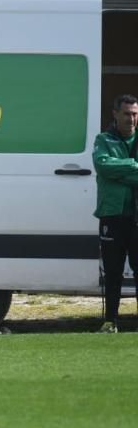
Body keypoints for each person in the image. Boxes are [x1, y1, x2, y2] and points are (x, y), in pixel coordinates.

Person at [93, 93, 138, 332]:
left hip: (136, 218)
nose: (131, 119)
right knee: (112, 272)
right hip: (112, 215)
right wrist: (132, 166)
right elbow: (102, 166)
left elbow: (111, 171)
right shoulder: (104, 139)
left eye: (134, 114)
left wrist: (117, 171)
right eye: (126, 114)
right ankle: (111, 321)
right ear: (115, 114)